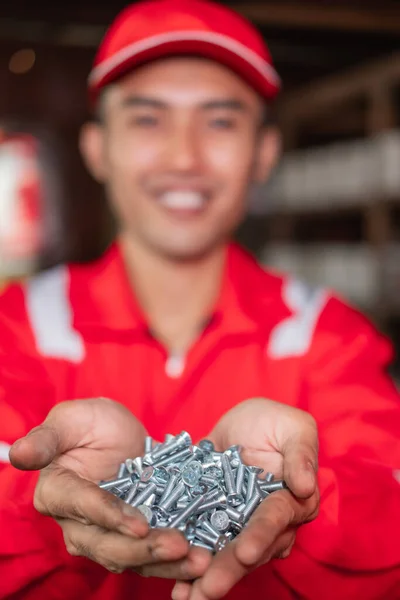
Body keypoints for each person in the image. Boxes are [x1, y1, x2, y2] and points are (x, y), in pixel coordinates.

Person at [0, 0, 399, 599]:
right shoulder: (19, 326)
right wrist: (37, 503)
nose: (184, 158)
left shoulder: (326, 333)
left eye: (219, 121)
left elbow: (386, 494)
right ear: (96, 149)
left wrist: (305, 500)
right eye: (147, 119)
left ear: (264, 152)